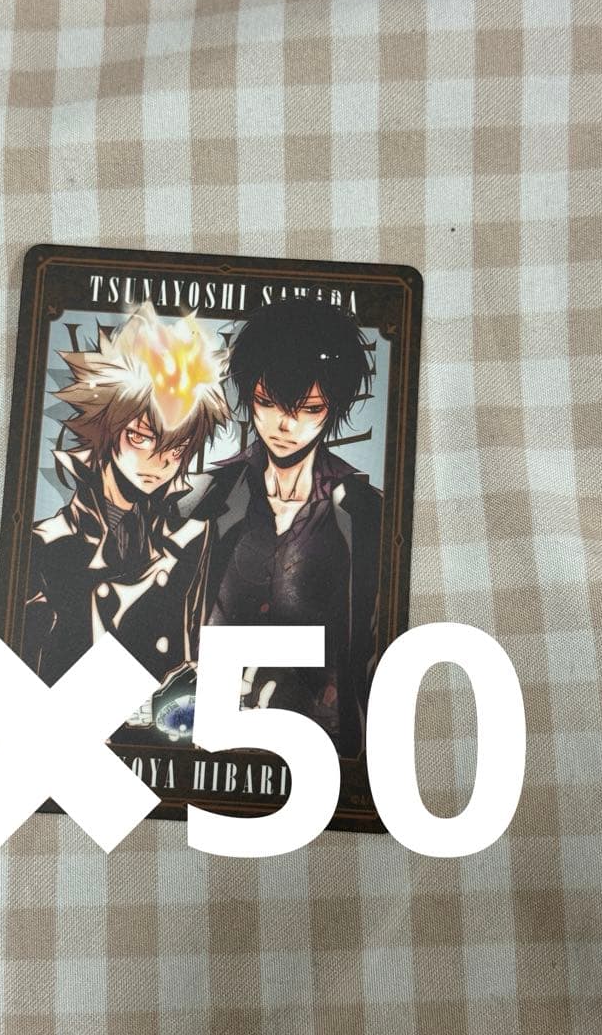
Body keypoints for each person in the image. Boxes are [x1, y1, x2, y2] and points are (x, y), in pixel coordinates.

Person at [181, 297, 384, 759]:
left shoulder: (364, 513)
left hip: (322, 743)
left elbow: (374, 644)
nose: (285, 424)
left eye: (309, 408)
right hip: (211, 737)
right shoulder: (206, 497)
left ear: (334, 406)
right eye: (266, 402)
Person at [22, 304, 230, 732]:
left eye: (176, 450)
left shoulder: (191, 537)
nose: (159, 463)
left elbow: (194, 653)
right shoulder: (45, 547)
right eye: (140, 438)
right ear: (106, 425)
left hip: (165, 744)